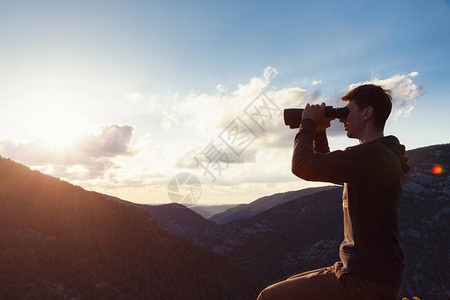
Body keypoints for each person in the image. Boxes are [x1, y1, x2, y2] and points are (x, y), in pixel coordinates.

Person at [257, 84, 410, 300]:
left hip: (364, 281)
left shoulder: (373, 155)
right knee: (290, 283)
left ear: (367, 113)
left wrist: (308, 124)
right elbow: (324, 166)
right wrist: (319, 132)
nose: (342, 118)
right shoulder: (376, 156)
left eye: (347, 111)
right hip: (362, 272)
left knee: (269, 297)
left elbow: (302, 166)